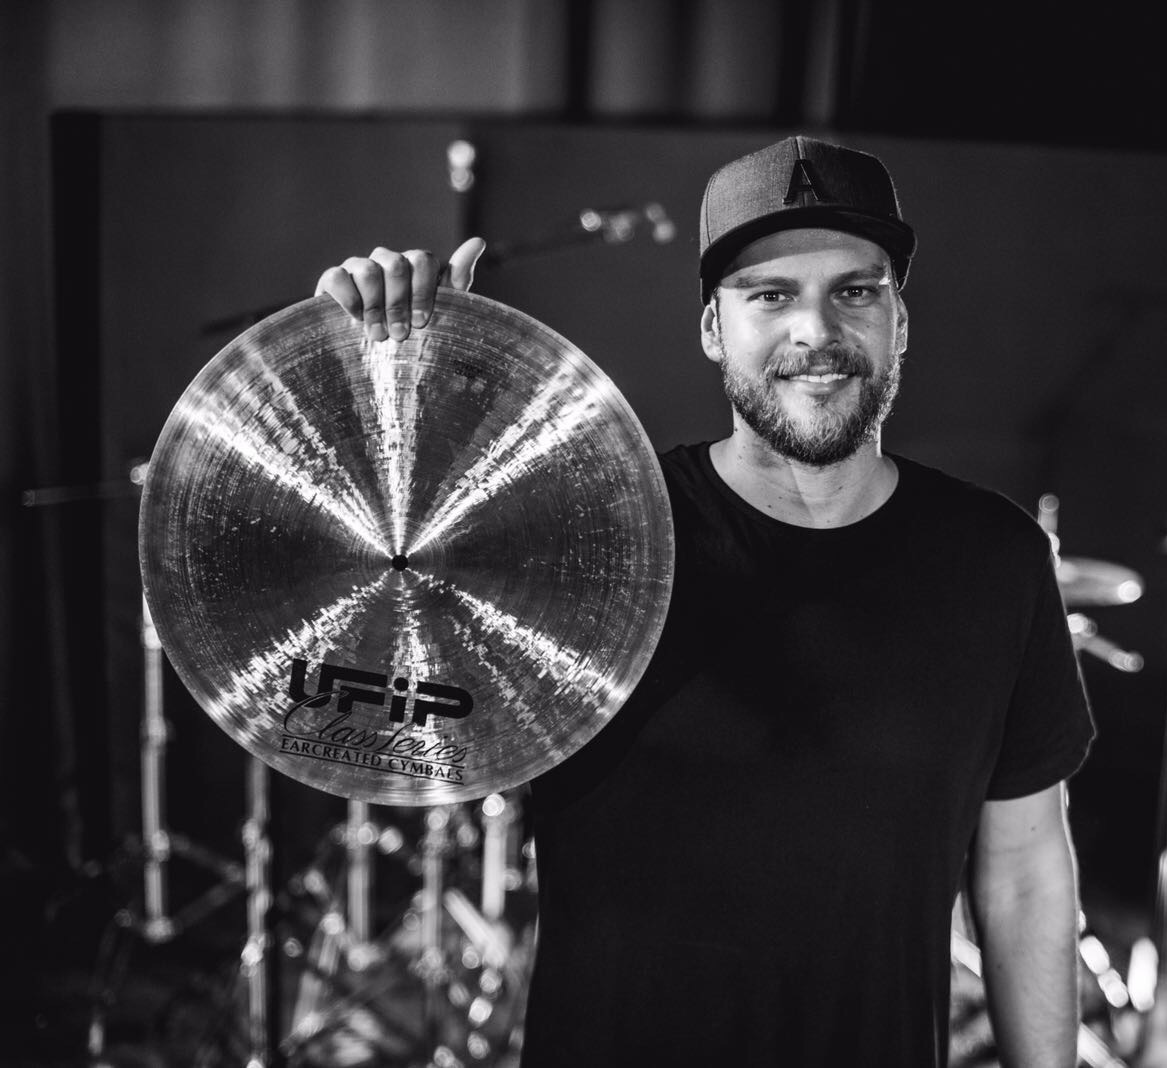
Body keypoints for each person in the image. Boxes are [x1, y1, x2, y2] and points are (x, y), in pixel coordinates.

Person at [314, 135, 1095, 1067]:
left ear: (900, 321)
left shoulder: (994, 559)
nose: (817, 332)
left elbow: (1023, 874)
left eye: (856, 290)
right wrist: (382, 398)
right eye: (770, 295)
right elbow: (346, 683)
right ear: (713, 330)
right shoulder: (587, 545)